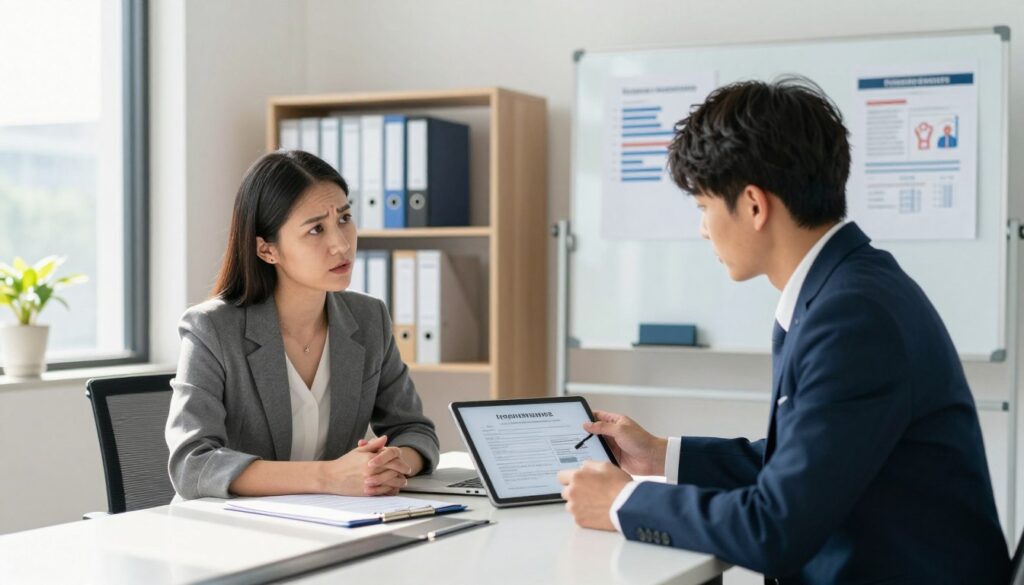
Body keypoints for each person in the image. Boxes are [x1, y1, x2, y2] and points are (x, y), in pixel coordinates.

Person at [557, 78, 1009, 584]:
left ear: (753, 204)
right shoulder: (849, 284)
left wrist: (624, 501)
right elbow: (804, 464)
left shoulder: (852, 317)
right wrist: (660, 454)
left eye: (704, 206)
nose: (703, 229)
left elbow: (776, 527)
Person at [166, 150, 439, 500]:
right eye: (315, 230)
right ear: (267, 250)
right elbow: (193, 464)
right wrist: (328, 477)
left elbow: (415, 430)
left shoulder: (369, 319)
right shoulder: (211, 330)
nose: (341, 244)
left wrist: (392, 463)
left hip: (336, 523)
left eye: (344, 219)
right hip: (234, 532)